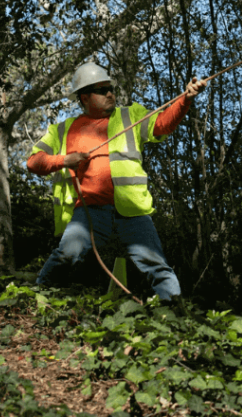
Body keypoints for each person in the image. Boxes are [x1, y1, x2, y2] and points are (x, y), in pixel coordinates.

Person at [27, 62, 205, 299]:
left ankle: (173, 311)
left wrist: (185, 98)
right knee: (68, 254)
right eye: (102, 90)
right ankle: (36, 298)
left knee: (156, 265)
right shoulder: (63, 130)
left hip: (131, 211)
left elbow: (162, 125)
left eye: (111, 89)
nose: (110, 94)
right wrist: (63, 160)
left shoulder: (130, 116)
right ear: (84, 97)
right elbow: (33, 163)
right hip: (89, 211)